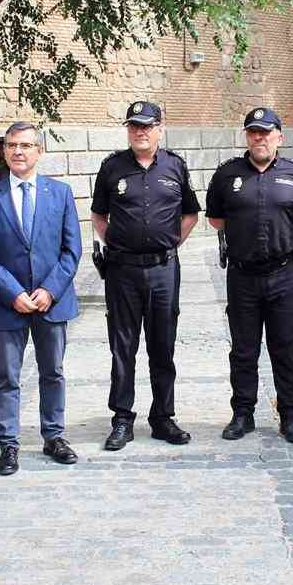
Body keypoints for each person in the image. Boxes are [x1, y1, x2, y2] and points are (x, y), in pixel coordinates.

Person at [206, 107, 293, 443]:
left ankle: (291, 416)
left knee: (285, 347)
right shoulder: (227, 174)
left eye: (266, 132)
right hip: (242, 276)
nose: (260, 138)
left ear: (279, 138)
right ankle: (243, 414)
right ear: (247, 137)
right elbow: (216, 218)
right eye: (253, 132)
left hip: (285, 274)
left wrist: (283, 239)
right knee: (243, 350)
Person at [0, 122, 82, 476]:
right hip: (8, 304)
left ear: (39, 151)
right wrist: (12, 292)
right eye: (11, 145)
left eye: (26, 145)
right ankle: (8, 444)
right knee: (7, 376)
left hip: (52, 300)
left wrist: (50, 289)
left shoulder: (61, 193)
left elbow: (71, 250)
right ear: (3, 152)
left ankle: (54, 436)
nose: (18, 152)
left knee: (53, 372)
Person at [91, 101, 200, 451]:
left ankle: (163, 417)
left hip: (163, 269)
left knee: (162, 345)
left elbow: (190, 215)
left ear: (159, 128)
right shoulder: (112, 167)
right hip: (122, 271)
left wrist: (167, 245)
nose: (140, 131)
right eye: (134, 126)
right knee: (123, 347)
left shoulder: (175, 166)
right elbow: (99, 216)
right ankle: (122, 419)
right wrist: (122, 245)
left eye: (147, 125)